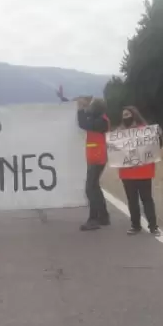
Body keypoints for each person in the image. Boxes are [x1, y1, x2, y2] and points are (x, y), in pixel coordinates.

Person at [59, 87, 110, 230]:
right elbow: (82, 114)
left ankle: (94, 219)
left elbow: (83, 123)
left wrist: (81, 108)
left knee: (90, 188)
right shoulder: (98, 118)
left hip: (97, 159)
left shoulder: (101, 121)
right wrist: (66, 101)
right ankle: (103, 216)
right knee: (95, 187)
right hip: (96, 157)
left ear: (96, 109)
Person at [116, 106, 161, 236]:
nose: (125, 116)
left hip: (143, 171)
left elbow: (157, 146)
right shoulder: (119, 132)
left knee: (147, 199)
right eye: (123, 114)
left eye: (127, 114)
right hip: (127, 172)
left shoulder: (146, 130)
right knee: (132, 200)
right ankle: (135, 225)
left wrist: (158, 136)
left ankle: (153, 226)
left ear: (134, 115)